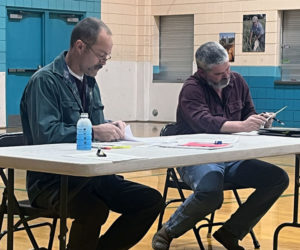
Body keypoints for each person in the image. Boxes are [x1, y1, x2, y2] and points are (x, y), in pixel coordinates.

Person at [20, 17, 163, 250]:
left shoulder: (89, 82)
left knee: (149, 201)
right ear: (79, 46)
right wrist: (96, 130)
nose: (104, 62)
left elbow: (91, 125)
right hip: (52, 182)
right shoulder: (45, 82)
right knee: (94, 209)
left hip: (92, 177)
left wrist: (111, 127)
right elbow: (46, 134)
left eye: (107, 56)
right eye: (101, 55)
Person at [152, 41, 289, 250]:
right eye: (218, 74)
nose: (226, 76)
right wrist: (242, 125)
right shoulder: (191, 88)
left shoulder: (237, 81)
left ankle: (230, 232)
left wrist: (259, 120)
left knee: (277, 178)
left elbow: (248, 113)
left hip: (232, 156)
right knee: (210, 192)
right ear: (202, 72)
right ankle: (168, 230)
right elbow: (204, 122)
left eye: (228, 69)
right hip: (198, 156)